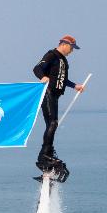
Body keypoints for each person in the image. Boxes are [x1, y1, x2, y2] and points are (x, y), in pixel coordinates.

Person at [32, 35, 86, 172]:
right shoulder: (52, 55)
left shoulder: (64, 61)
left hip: (55, 96)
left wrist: (75, 86)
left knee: (53, 124)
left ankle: (48, 152)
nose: (72, 51)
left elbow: (63, 79)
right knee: (52, 123)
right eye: (71, 48)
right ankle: (44, 154)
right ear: (64, 44)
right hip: (47, 93)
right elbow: (37, 68)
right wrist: (43, 77)